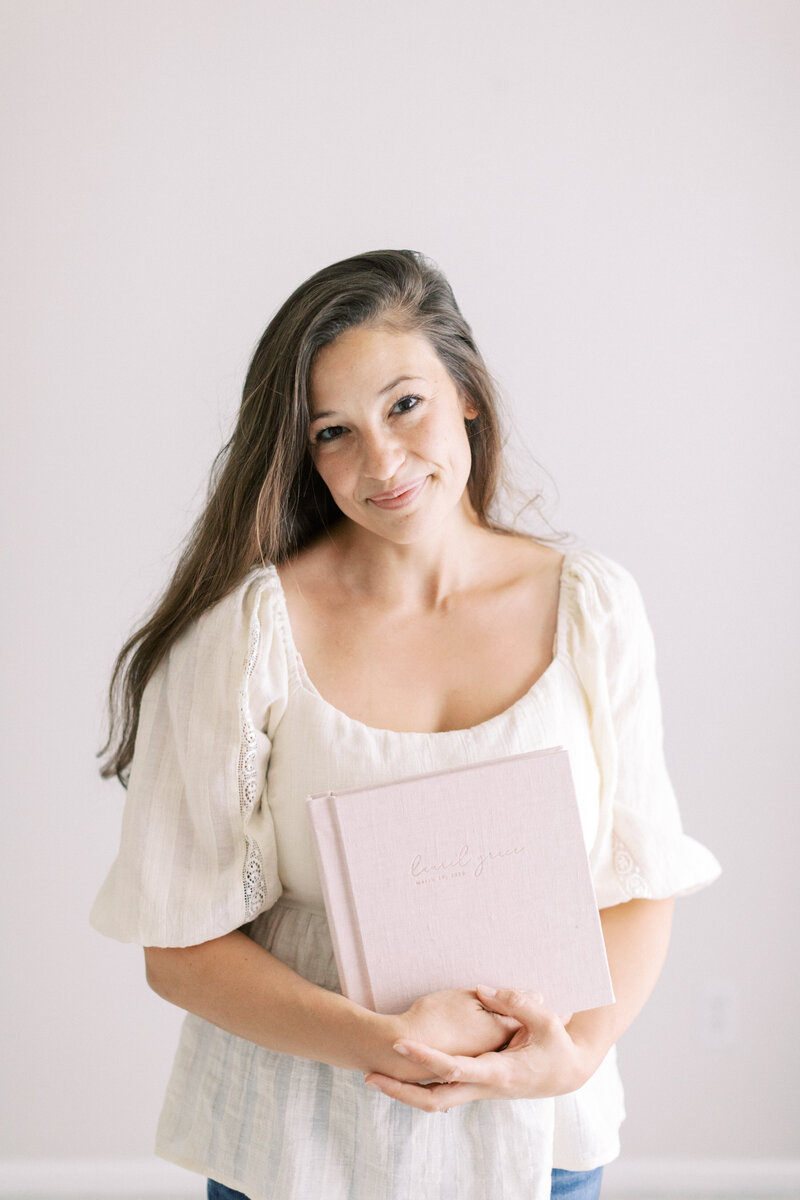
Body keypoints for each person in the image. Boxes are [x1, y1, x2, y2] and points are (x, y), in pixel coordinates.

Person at [91, 249, 721, 1200]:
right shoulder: (246, 638)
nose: (381, 462)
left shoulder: (592, 607)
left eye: (404, 405)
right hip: (300, 1145)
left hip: (539, 1139)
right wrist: (385, 1045)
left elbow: (640, 880)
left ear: (466, 392)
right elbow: (179, 952)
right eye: (333, 432)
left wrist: (574, 1057)